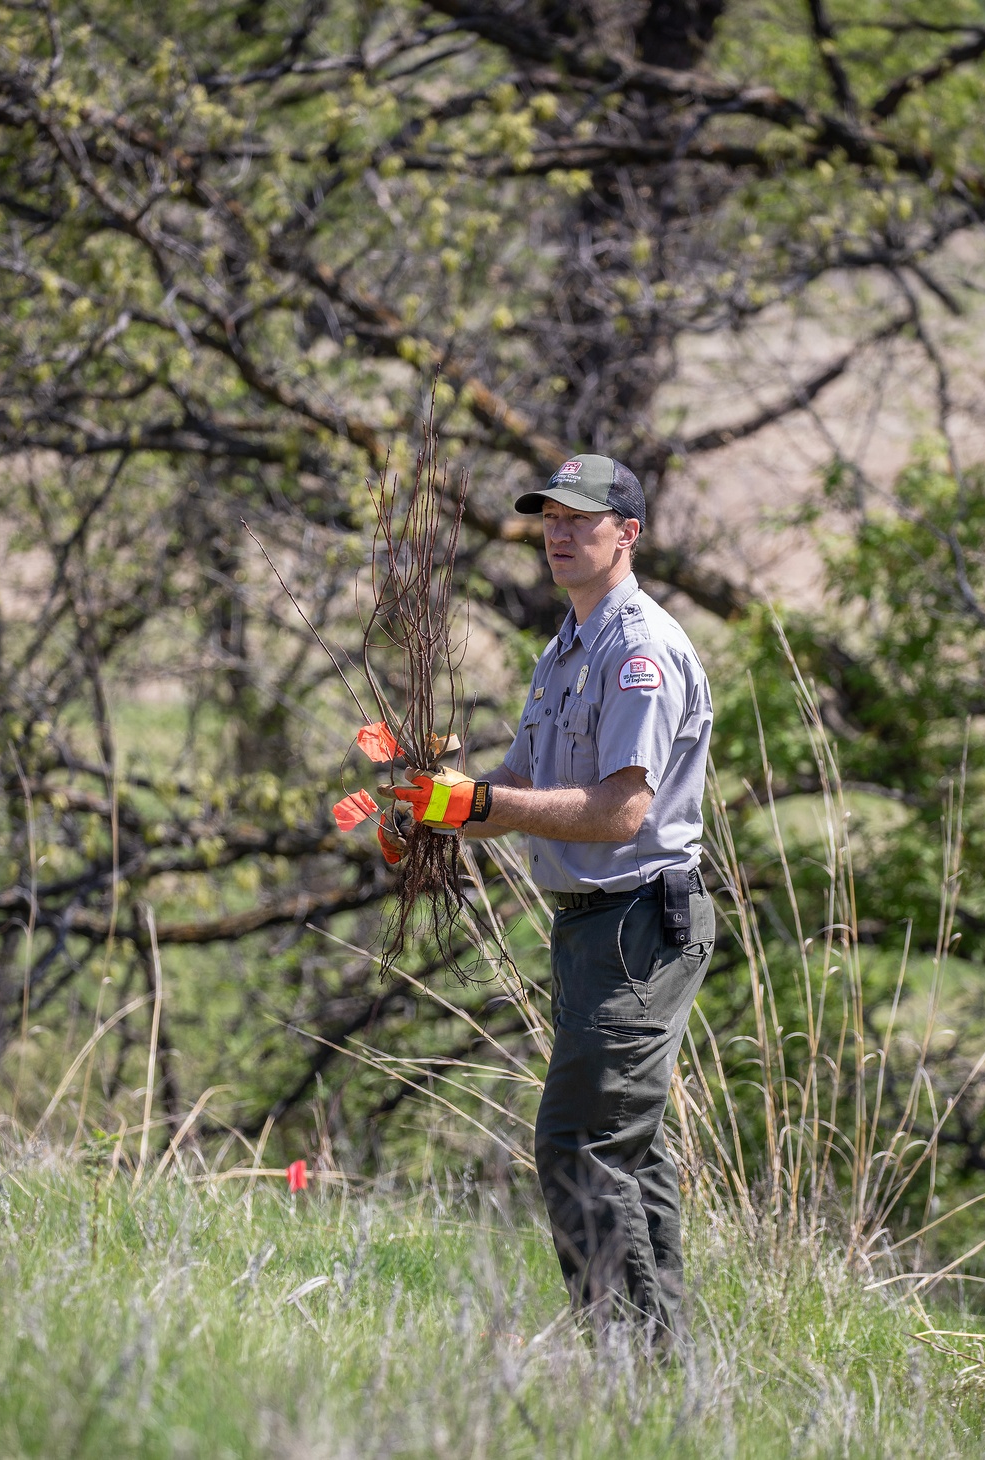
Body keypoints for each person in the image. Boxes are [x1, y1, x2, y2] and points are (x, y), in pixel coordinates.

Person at [386, 454, 715, 1350]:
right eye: (549, 518)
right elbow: (525, 783)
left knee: (577, 1147)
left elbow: (619, 812)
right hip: (588, 931)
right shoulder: (566, 645)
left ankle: (628, 1365)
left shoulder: (640, 649)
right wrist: (436, 813)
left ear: (627, 534)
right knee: (628, 1156)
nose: (560, 532)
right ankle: (666, 1378)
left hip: (641, 922)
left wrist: (482, 805)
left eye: (581, 518)